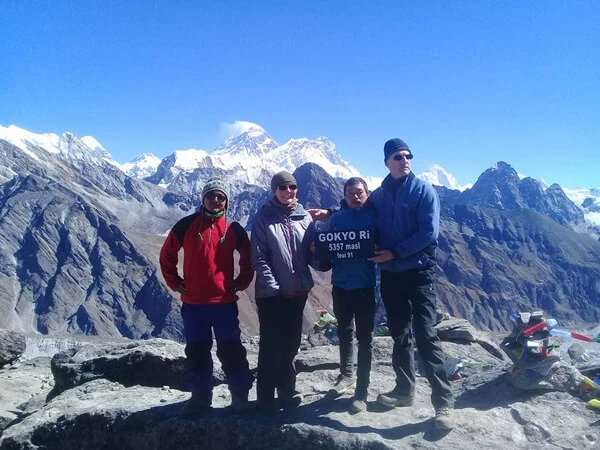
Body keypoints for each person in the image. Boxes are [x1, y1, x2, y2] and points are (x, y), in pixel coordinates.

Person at [367, 138, 455, 430]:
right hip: (391, 275)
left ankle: (443, 402)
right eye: (397, 156)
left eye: (408, 155)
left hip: (418, 274)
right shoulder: (379, 196)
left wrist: (395, 252)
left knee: (427, 334)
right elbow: (359, 212)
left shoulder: (423, 190)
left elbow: (428, 233)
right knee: (399, 334)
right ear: (386, 162)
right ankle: (404, 391)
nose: (404, 160)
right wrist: (329, 215)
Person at [159, 177, 254, 415]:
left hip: (223, 303)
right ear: (203, 198)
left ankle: (239, 395)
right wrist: (174, 282)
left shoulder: (233, 229)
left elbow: (248, 259)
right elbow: (166, 255)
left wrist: (241, 283)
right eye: (211, 195)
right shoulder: (186, 225)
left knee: (231, 350)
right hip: (194, 305)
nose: (215, 200)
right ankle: (201, 397)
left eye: (221, 197)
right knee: (197, 352)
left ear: (226, 202)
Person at [251, 170, 315, 412]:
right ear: (274, 190)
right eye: (283, 187)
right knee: (270, 345)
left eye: (292, 187)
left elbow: (309, 254)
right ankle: (265, 398)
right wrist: (275, 289)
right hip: (271, 296)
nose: (289, 191)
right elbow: (258, 257)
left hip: (298, 293)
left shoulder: (304, 217)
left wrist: (321, 258)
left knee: (290, 345)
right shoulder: (263, 217)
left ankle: (286, 393)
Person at [325, 177, 377, 414]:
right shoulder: (336, 219)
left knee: (365, 338)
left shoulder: (374, 217)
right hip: (341, 285)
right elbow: (326, 251)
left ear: (367, 194)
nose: (355, 197)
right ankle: (346, 375)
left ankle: (362, 391)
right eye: (350, 193)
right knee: (344, 331)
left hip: (365, 286)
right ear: (344, 196)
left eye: (359, 193)